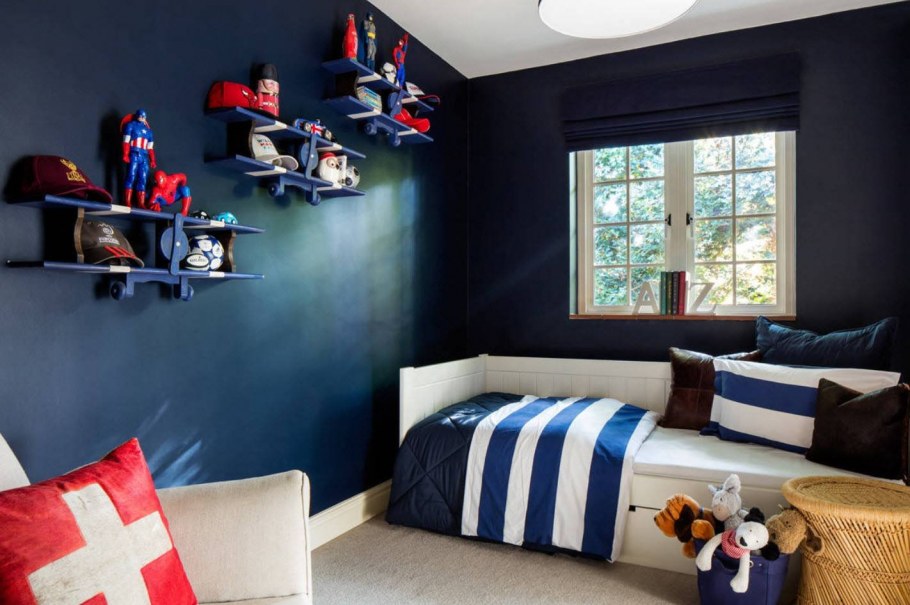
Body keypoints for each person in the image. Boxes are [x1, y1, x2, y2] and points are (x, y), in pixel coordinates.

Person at [120, 109, 156, 208]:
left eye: (144, 116)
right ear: (137, 116)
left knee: (143, 178)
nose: (142, 118)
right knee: (131, 176)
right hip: (134, 154)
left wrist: (152, 160)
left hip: (144, 156)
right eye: (141, 116)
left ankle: (141, 203)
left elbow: (150, 148)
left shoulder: (149, 131)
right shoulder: (130, 125)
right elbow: (126, 141)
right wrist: (125, 154)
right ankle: (127, 201)